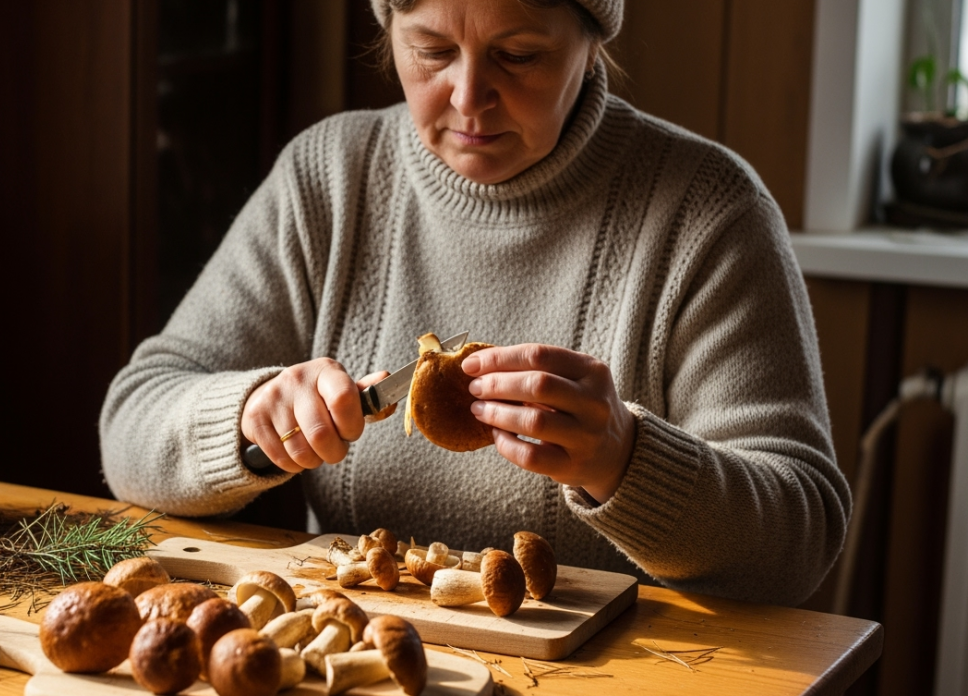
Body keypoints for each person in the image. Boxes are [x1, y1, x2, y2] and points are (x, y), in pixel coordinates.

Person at [101, 0, 850, 606]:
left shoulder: (709, 213)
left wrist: (625, 459)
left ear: (592, 42)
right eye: (429, 51)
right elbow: (132, 424)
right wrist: (247, 414)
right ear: (386, 28)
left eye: (518, 55)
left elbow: (798, 541)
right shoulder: (330, 177)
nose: (467, 96)